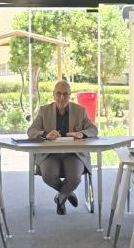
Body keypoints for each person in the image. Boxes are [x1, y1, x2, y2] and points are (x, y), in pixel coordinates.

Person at [27, 79, 98, 216]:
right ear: (53, 95)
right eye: (58, 94)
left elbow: (93, 129)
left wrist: (81, 133)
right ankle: (67, 193)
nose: (61, 97)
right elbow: (31, 131)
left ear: (69, 95)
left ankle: (60, 198)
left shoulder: (80, 111)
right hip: (50, 154)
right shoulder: (44, 111)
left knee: (75, 178)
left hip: (73, 154)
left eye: (65, 94)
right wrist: (46, 134)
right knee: (48, 176)